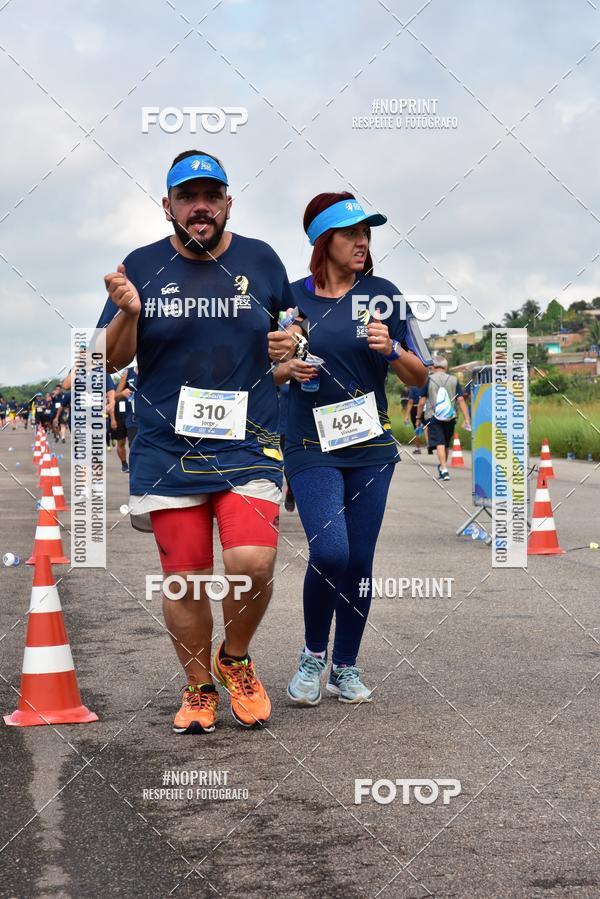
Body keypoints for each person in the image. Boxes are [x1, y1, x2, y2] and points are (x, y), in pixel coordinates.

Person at [97, 149, 303, 735]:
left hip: (248, 441)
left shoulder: (261, 259)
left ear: (228, 202)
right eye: (188, 198)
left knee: (250, 562)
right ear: (168, 206)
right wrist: (130, 314)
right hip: (167, 449)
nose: (200, 207)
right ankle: (197, 686)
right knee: (185, 578)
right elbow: (110, 359)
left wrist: (292, 340)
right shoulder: (139, 265)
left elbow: (293, 325)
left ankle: (234, 658)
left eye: (211, 196)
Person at [280, 191, 429, 707]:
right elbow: (265, 369)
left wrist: (392, 351)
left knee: (360, 560)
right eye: (350, 233)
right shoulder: (290, 298)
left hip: (369, 448)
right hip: (307, 443)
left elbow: (420, 376)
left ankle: (345, 665)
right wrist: (287, 368)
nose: (362, 242)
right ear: (324, 241)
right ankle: (312, 655)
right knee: (330, 550)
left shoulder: (383, 296)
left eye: (366, 233)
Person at [415, 355, 471, 481]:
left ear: (433, 367)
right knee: (445, 443)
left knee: (439, 442)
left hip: (433, 416)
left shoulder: (428, 380)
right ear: (446, 367)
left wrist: (418, 418)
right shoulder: (454, 379)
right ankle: (443, 467)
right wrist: (467, 419)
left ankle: (444, 469)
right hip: (450, 416)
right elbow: (461, 399)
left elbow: (421, 402)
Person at [115, 362, 139, 452]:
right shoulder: (128, 372)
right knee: (134, 447)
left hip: (150, 418)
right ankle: (131, 465)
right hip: (133, 419)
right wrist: (122, 393)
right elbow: (115, 396)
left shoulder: (152, 371)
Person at [404, 384, 424, 453]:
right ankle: (430, 446)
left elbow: (410, 401)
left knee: (417, 428)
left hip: (415, 409)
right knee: (427, 427)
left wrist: (406, 415)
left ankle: (418, 448)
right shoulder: (427, 385)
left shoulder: (413, 388)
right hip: (427, 408)